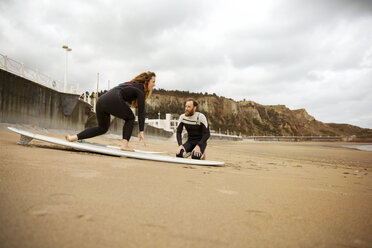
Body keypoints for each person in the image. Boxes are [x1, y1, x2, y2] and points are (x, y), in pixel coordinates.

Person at [66, 71, 156, 151]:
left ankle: (73, 137)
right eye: (153, 82)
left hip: (101, 100)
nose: (154, 84)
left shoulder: (130, 84)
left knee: (102, 128)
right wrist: (141, 131)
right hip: (114, 99)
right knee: (130, 118)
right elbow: (141, 112)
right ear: (146, 81)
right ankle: (124, 145)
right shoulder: (140, 90)